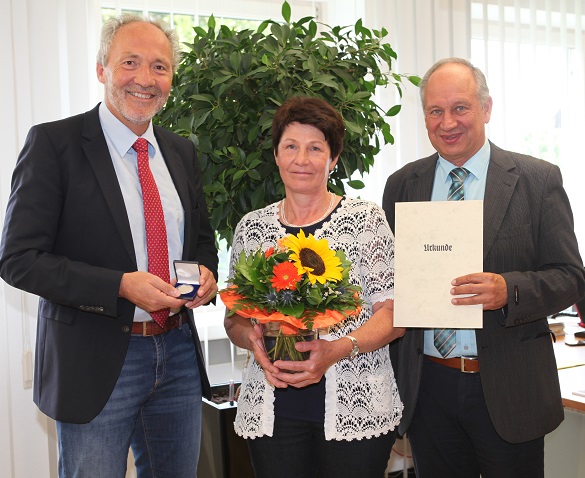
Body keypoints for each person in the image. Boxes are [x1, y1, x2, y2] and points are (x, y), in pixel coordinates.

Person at [0, 14, 219, 478]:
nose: (145, 79)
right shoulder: (54, 144)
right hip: (96, 362)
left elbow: (200, 242)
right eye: (130, 62)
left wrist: (206, 276)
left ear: (172, 78)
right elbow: (18, 260)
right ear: (102, 69)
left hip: (178, 351)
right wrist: (119, 286)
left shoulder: (182, 152)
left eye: (159, 66)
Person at [382, 57, 585, 478]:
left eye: (460, 108)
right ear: (424, 118)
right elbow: (389, 278)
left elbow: (570, 276)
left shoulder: (537, 179)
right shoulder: (403, 184)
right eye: (436, 111)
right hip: (428, 388)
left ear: (486, 109)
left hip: (509, 389)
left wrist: (508, 291)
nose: (447, 122)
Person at [224, 95, 405, 478]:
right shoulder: (253, 228)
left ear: (333, 158)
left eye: (315, 148)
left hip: (355, 408)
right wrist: (251, 339)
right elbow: (235, 318)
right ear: (276, 155)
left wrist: (337, 349)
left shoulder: (365, 220)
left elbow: (394, 313)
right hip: (273, 413)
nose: (301, 159)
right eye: (290, 146)